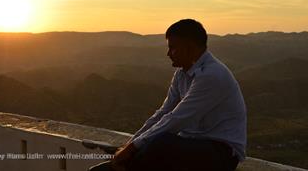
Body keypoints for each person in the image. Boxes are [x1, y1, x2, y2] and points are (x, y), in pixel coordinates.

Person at [89, 19, 246, 171]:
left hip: (221, 153)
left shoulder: (211, 75)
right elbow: (163, 113)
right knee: (155, 143)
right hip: (193, 145)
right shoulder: (182, 74)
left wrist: (131, 149)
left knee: (162, 142)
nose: (168, 53)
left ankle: (120, 168)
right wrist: (130, 144)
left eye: (172, 48)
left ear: (189, 47)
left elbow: (177, 119)